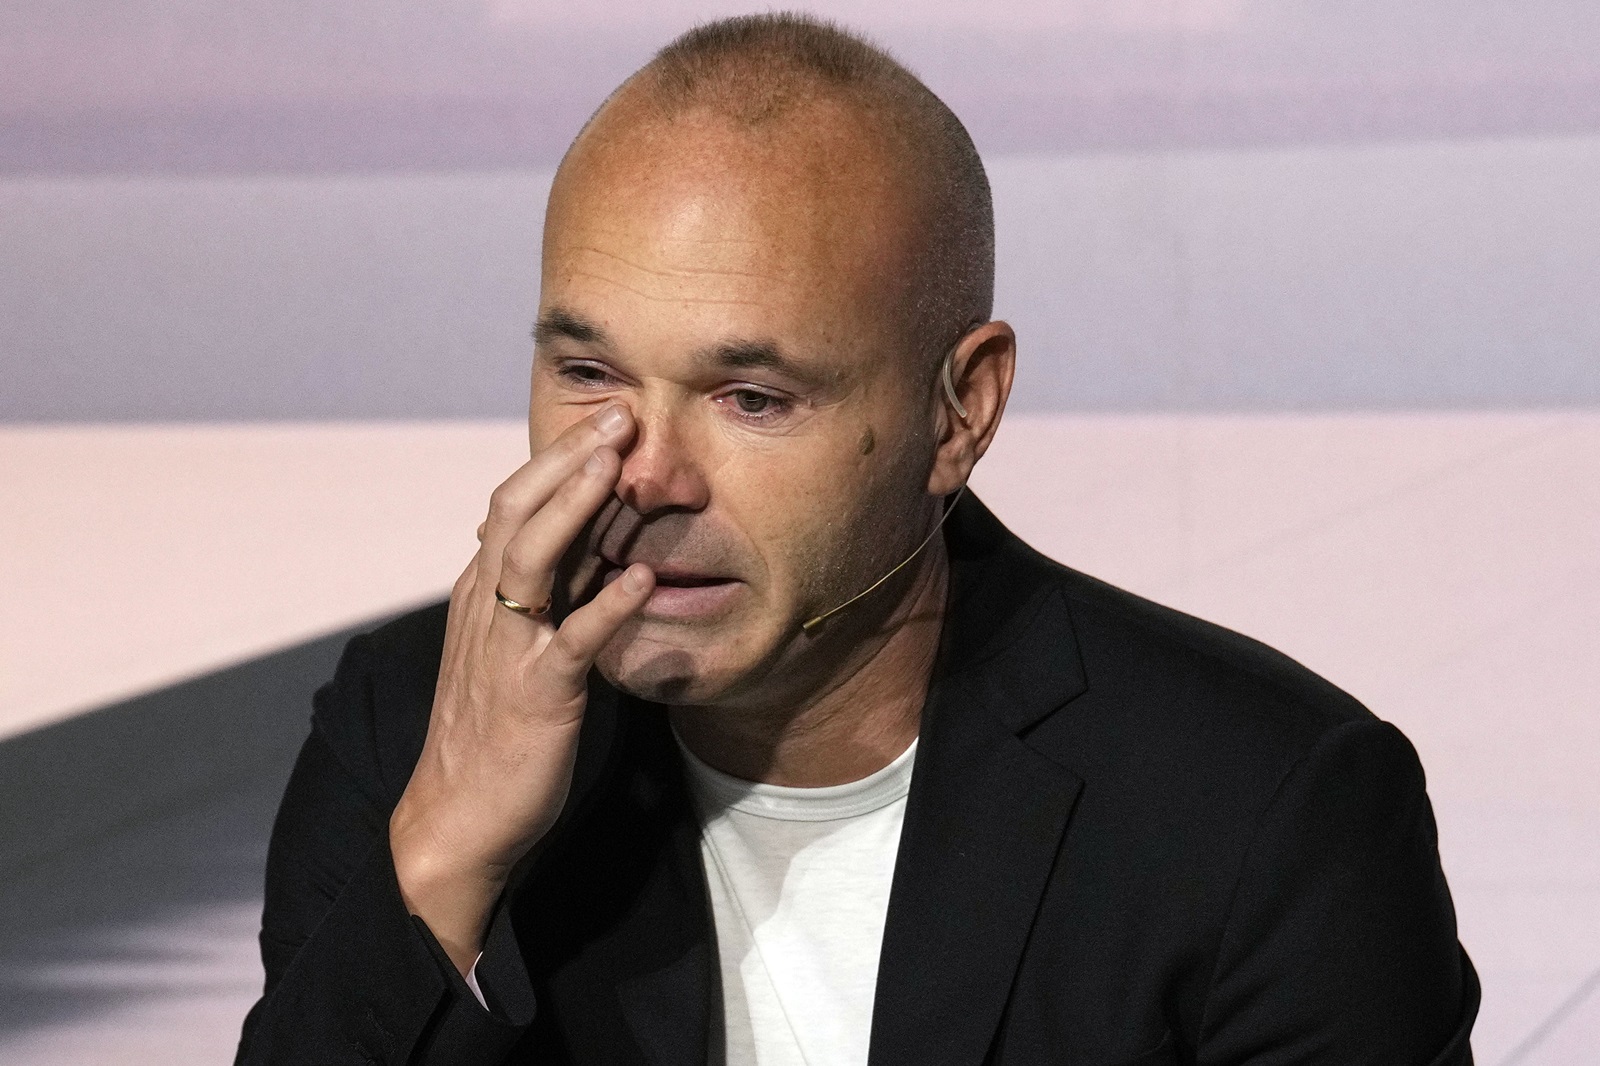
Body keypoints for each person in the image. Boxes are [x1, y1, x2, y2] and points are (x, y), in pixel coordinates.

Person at [236, 13, 1478, 1066]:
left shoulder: (1261, 808)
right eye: (588, 371)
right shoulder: (409, 734)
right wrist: (447, 858)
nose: (645, 474)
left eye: (753, 399)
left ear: (961, 411)